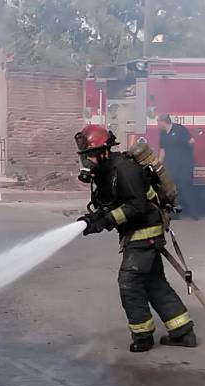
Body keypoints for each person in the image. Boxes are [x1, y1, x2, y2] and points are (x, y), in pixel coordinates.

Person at [75, 124, 196, 353]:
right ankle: (183, 332)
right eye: (85, 157)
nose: (88, 162)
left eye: (90, 156)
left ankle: (143, 337)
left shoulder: (124, 170)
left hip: (145, 232)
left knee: (129, 282)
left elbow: (136, 206)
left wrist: (106, 220)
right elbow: (111, 204)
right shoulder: (105, 173)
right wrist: (94, 220)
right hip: (140, 232)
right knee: (155, 283)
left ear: (105, 151)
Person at [157, 114, 199, 219]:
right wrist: (158, 164)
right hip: (171, 165)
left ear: (164, 121)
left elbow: (191, 141)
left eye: (159, 122)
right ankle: (175, 214)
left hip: (185, 164)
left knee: (186, 187)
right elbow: (162, 151)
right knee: (173, 190)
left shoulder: (179, 129)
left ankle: (194, 213)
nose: (158, 124)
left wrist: (184, 151)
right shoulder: (163, 134)